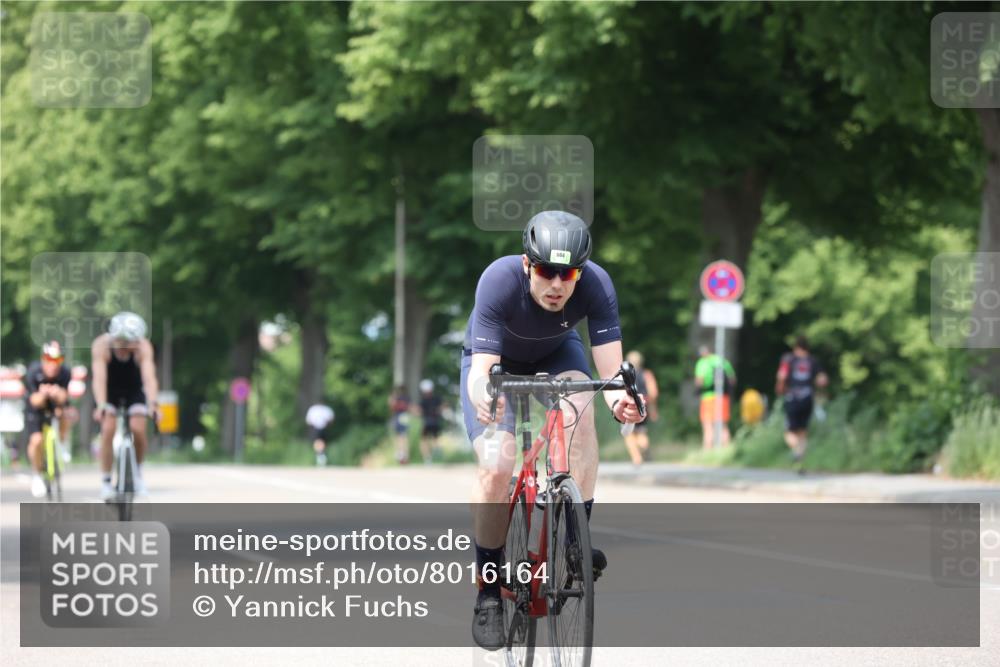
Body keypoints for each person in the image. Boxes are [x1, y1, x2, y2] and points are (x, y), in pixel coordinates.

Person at [461, 210, 644, 650]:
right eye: (546, 271)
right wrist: (485, 397)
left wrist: (621, 401)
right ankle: (488, 593)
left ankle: (574, 541)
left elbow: (611, 374)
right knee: (496, 463)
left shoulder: (597, 285)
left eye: (568, 273)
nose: (557, 284)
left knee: (580, 410)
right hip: (497, 362)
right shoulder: (498, 280)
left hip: (558, 354)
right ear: (528, 265)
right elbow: (480, 374)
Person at [91, 312, 158, 499]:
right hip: (109, 390)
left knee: (138, 427)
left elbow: (149, 378)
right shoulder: (102, 346)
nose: (127, 347)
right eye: (122, 342)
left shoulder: (143, 347)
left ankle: (138, 474)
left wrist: (153, 403)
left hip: (133, 389)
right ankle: (105, 481)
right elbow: (99, 378)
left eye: (132, 342)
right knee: (108, 429)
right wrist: (102, 404)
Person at [24, 342, 71, 498]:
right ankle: (37, 474)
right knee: (36, 440)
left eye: (57, 361)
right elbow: (34, 401)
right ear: (43, 359)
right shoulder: (33, 371)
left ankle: (62, 445)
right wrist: (44, 394)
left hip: (55, 404)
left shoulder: (64, 373)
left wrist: (57, 394)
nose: (53, 365)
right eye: (49, 360)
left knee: (66, 413)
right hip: (36, 407)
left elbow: (64, 398)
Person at [775, 335, 828, 472]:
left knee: (789, 432)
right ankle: (801, 462)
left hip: (793, 397)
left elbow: (782, 375)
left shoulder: (789, 359)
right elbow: (822, 380)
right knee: (803, 432)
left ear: (795, 347)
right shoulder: (813, 360)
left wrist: (780, 387)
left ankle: (796, 453)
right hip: (808, 397)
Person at [694, 345, 736, 449]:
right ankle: (726, 450)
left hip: (708, 397)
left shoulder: (702, 362)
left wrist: (697, 391)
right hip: (723, 397)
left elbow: (700, 380)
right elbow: (732, 380)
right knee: (722, 425)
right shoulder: (722, 361)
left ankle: (708, 451)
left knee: (708, 425)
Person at [621, 350, 659, 465]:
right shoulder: (646, 374)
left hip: (628, 406)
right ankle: (644, 446)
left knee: (629, 434)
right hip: (643, 405)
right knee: (641, 432)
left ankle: (637, 458)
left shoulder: (624, 376)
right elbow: (653, 393)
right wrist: (652, 408)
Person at [417, 378, 443, 464]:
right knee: (435, 438)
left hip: (427, 422)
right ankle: (437, 448)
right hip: (435, 421)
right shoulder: (437, 398)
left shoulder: (423, 400)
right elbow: (441, 408)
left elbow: (419, 411)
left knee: (423, 440)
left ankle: (427, 458)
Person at [305, 401, 335, 466]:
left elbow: (309, 421)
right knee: (322, 442)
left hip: (315, 428)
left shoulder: (313, 409)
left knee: (317, 442)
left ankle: (320, 455)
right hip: (324, 428)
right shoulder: (327, 409)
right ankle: (321, 455)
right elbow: (331, 419)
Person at [388, 385, 410, 465]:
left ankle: (402, 454)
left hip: (399, 417)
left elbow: (391, 406)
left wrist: (392, 398)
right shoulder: (407, 398)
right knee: (403, 436)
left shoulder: (397, 398)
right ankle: (403, 455)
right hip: (403, 417)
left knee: (400, 436)